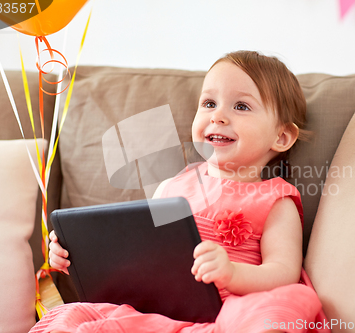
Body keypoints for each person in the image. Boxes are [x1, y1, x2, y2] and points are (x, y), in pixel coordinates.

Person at [31, 50, 330, 333]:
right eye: (209, 104)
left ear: (281, 136)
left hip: (231, 310)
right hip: (158, 312)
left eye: (241, 106)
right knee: (74, 316)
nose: (218, 116)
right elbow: (137, 259)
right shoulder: (173, 187)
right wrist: (79, 260)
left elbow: (284, 272)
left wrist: (232, 274)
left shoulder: (275, 198)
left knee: (282, 306)